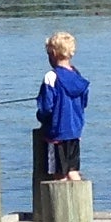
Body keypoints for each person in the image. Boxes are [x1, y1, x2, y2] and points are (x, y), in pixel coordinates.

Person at [36, 32, 90, 181]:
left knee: (57, 175)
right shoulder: (78, 77)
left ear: (53, 53)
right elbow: (84, 103)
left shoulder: (51, 77)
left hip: (56, 135)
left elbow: (46, 107)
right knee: (73, 172)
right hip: (75, 133)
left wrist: (40, 117)